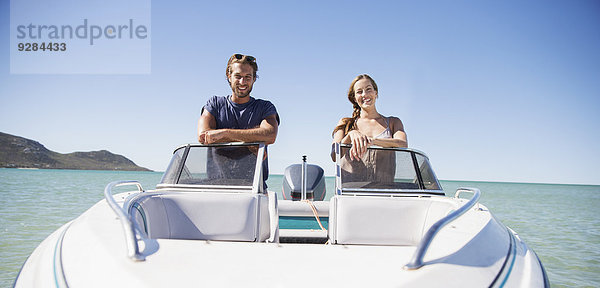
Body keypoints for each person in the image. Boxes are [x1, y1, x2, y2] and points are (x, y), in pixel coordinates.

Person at [198, 53, 279, 187]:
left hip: (254, 188)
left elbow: (270, 135)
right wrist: (252, 140)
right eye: (238, 76)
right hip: (216, 187)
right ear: (229, 77)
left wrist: (224, 133)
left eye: (248, 77)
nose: (242, 82)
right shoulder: (214, 104)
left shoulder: (265, 107)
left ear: (254, 79)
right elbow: (204, 136)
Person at [331, 74, 408, 186]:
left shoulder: (393, 122)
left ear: (375, 93)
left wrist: (372, 141)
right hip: (350, 192)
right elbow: (334, 155)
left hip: (384, 191)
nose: (365, 95)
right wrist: (350, 135)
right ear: (354, 98)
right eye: (359, 92)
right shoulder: (345, 123)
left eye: (368, 90)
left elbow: (402, 144)